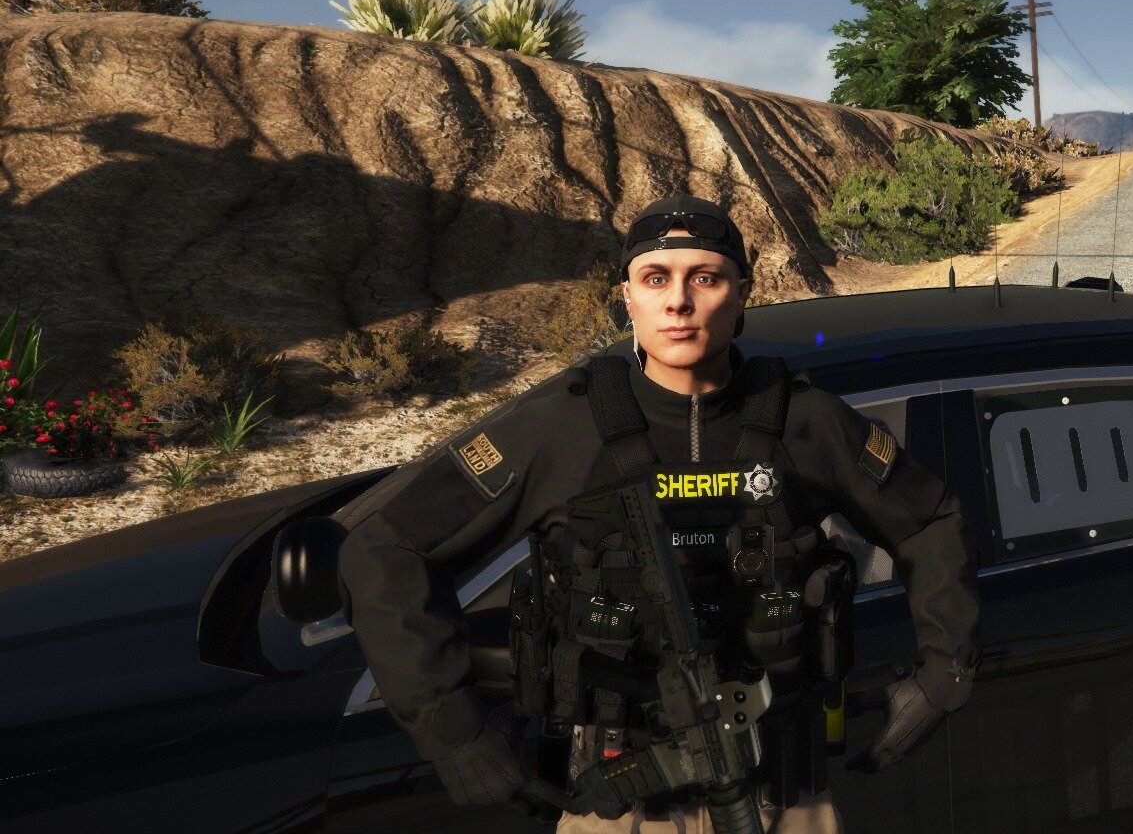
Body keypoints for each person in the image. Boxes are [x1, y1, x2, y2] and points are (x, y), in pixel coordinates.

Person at [335, 194, 981, 833]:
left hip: (785, 798)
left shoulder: (806, 422)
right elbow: (384, 550)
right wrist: (452, 731)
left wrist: (944, 672)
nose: (678, 301)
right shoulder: (557, 430)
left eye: (705, 278)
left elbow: (931, 520)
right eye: (655, 278)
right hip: (619, 808)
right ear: (627, 296)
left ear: (742, 293)